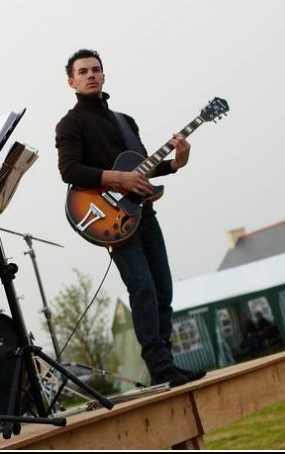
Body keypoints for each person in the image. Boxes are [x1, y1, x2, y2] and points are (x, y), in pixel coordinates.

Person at [55, 48, 206, 387]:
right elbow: (69, 170)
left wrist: (177, 162)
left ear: (104, 75)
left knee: (163, 288)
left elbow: (142, 169)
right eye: (83, 72)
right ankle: (160, 367)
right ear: (72, 81)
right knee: (142, 289)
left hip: (143, 213)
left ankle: (164, 363)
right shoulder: (71, 123)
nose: (91, 75)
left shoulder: (125, 121)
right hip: (111, 220)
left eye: (96, 69)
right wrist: (117, 179)